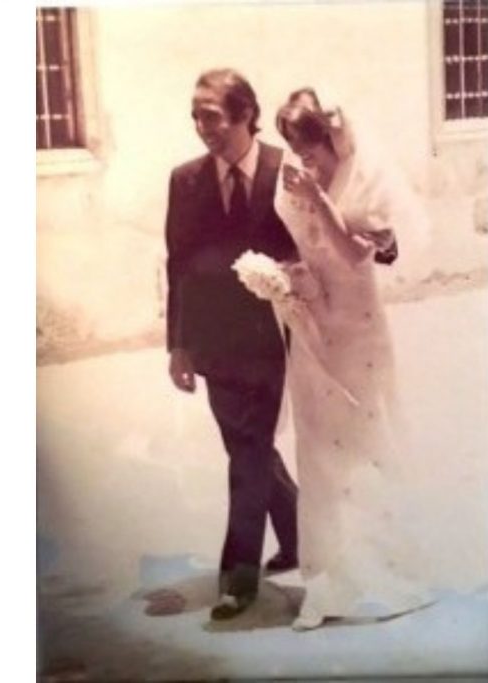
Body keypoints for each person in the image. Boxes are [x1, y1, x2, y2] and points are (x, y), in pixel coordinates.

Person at [266, 90, 435, 630]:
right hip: (316, 324)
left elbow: (355, 253)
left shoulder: (363, 183)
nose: (303, 161)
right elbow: (303, 246)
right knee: (319, 448)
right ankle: (327, 580)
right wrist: (288, 277)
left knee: (365, 441)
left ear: (332, 142)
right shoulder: (295, 183)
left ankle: (384, 569)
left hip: (359, 331)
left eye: (311, 149)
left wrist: (318, 198)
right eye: (295, 150)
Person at [164, 68, 300, 621]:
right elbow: (178, 266)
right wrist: (178, 346)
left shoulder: (286, 171)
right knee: (248, 448)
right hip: (215, 344)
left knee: (248, 451)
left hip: (274, 339)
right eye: (195, 116)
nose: (201, 126)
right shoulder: (185, 180)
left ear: (245, 114)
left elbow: (308, 251)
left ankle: (238, 578)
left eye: (212, 116)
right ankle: (297, 534)